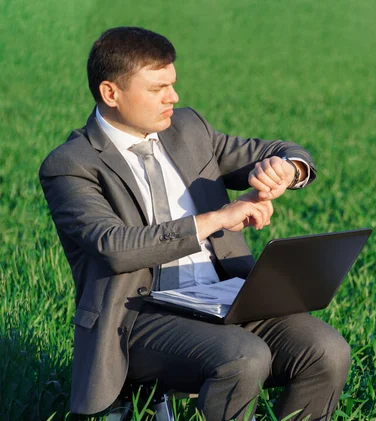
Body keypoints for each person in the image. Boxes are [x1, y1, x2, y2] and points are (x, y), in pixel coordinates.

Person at [39, 26, 351, 421]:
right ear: (110, 93)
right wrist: (217, 218)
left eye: (173, 83)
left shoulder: (188, 130)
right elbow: (115, 247)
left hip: (224, 301)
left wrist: (287, 168)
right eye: (157, 89)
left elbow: (272, 150)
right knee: (243, 356)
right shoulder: (71, 164)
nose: (174, 97)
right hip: (139, 319)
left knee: (327, 349)